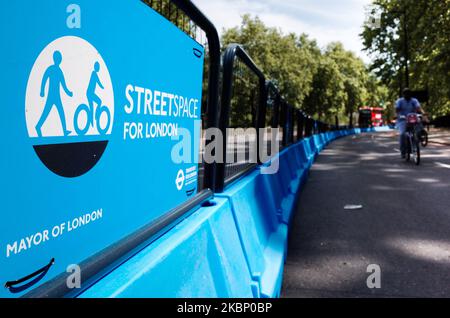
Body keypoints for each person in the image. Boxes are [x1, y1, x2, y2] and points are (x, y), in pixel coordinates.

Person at [36, 51, 73, 137]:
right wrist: (42, 91)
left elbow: (63, 85)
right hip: (52, 96)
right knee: (46, 112)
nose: (59, 60)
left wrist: (69, 93)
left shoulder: (58, 70)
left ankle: (64, 131)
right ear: (56, 59)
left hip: (56, 96)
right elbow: (44, 78)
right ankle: (38, 126)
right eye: (59, 58)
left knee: (61, 112)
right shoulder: (51, 69)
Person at [395, 88, 424, 158]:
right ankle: (403, 152)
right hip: (403, 119)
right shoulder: (400, 101)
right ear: (403, 94)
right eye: (405, 93)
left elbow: (418, 108)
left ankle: (419, 139)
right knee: (402, 134)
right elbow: (397, 109)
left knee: (419, 128)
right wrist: (396, 115)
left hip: (413, 119)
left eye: (408, 93)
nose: (407, 95)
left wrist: (422, 114)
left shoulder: (414, 100)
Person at [87, 61, 104, 127]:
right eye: (98, 67)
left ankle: (93, 119)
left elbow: (98, 82)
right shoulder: (94, 74)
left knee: (97, 103)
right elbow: (99, 82)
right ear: (96, 67)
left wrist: (102, 86)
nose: (99, 68)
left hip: (90, 93)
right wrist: (102, 87)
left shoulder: (94, 74)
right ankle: (93, 119)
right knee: (96, 104)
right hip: (90, 93)